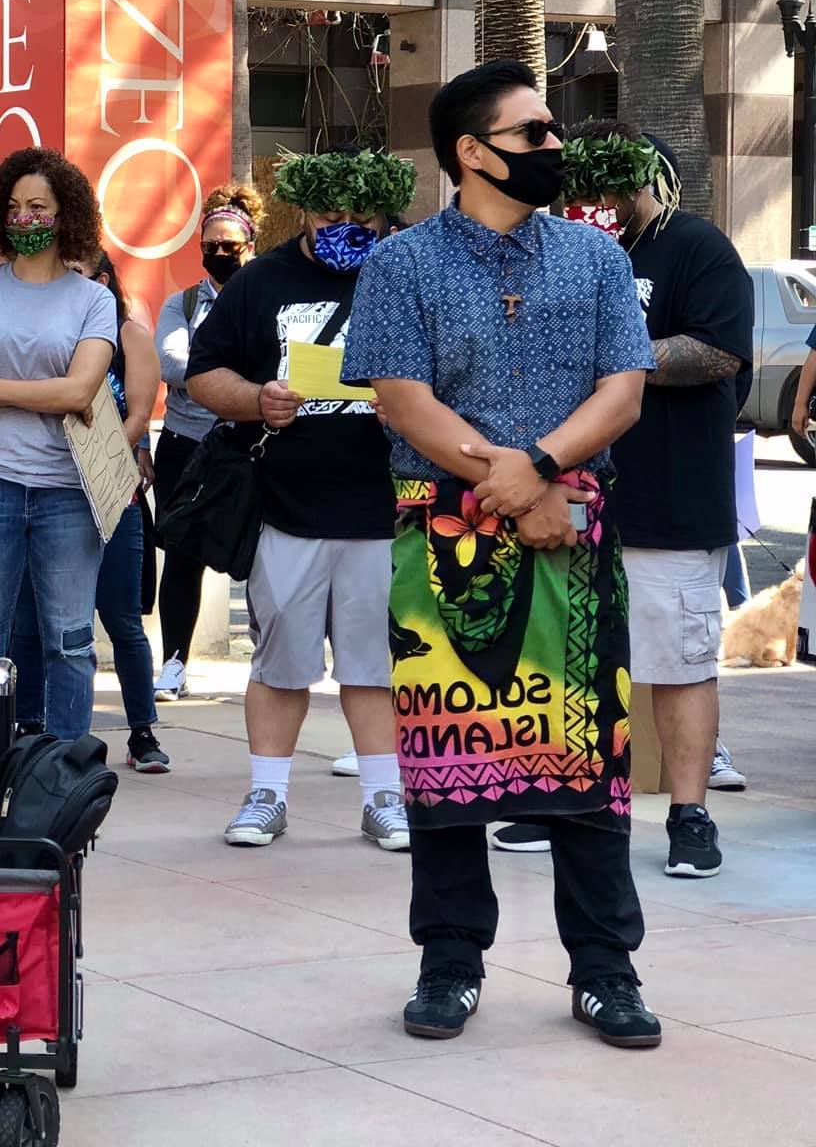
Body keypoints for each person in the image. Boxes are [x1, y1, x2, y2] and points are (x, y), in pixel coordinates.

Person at [344, 60, 661, 1048]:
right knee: (444, 763)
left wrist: (542, 470)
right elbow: (404, 402)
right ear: (472, 153)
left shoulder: (595, 257)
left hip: (571, 524)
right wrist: (511, 484)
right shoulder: (399, 264)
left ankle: (605, 971)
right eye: (533, 133)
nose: (555, 145)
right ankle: (449, 963)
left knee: (589, 757)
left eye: (551, 129)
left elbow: (624, 390)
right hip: (443, 533)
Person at [535, 122, 752, 875]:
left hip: (671, 499)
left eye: (609, 183)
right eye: (580, 186)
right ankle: (566, 801)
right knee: (569, 660)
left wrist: (614, 358)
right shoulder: (557, 251)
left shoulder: (695, 247)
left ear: (647, 179)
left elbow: (718, 351)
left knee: (681, 663)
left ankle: (689, 815)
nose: (595, 199)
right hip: (568, 493)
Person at [187, 146, 413, 854]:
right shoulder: (261, 280)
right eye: (330, 213)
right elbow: (203, 374)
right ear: (305, 211)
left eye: (361, 215)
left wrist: (412, 408)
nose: (346, 225)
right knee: (280, 660)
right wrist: (258, 399)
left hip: (385, 509)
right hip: (287, 506)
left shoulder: (406, 274)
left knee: (374, 663)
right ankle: (267, 795)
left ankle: (384, 798)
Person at [0, 147, 118, 739]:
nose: (25, 218)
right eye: (14, 206)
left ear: (67, 214)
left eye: (38, 207)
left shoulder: (94, 299)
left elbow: (80, 391)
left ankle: (66, 770)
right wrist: (42, 392)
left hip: (69, 490)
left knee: (70, 641)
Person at [151, 183, 261, 701]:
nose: (219, 253)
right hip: (187, 445)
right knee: (182, 556)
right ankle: (174, 663)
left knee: (266, 555)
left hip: (254, 444)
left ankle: (268, 661)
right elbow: (171, 363)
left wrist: (210, 374)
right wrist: (238, 379)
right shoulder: (184, 302)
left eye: (229, 245)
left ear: (249, 247)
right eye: (209, 245)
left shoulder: (265, 296)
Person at [89, 252, 168, 769]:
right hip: (50, 493)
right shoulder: (50, 331)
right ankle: (47, 731)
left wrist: (113, 461)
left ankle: (143, 733)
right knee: (51, 625)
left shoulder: (128, 337)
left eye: (81, 275)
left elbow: (137, 415)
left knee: (122, 620)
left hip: (115, 495)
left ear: (103, 281)